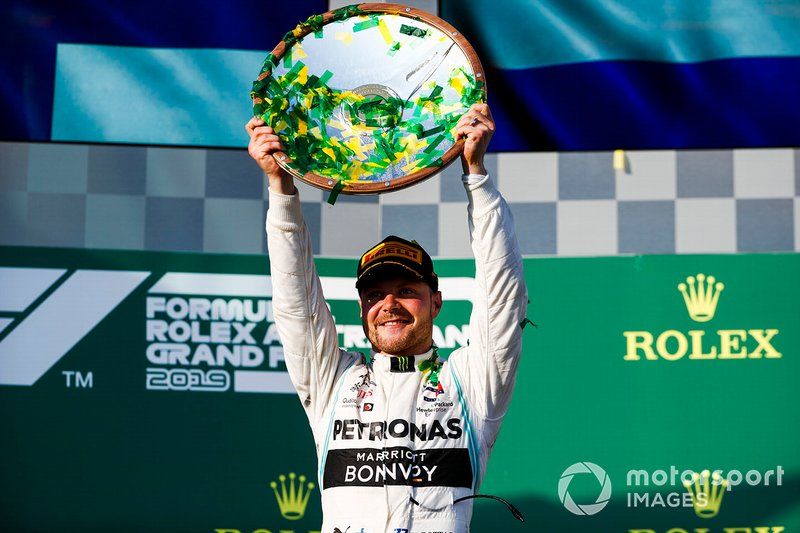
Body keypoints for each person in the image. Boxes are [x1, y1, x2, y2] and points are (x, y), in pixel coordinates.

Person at [246, 103, 527, 533]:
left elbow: (502, 294)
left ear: (436, 302)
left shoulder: (471, 382)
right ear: (362, 310)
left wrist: (477, 176)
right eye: (375, 295)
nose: (389, 304)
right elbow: (296, 302)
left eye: (407, 291)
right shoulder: (333, 381)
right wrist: (281, 188)